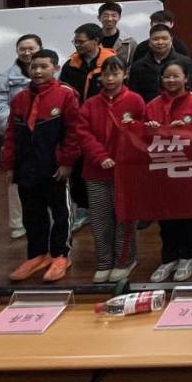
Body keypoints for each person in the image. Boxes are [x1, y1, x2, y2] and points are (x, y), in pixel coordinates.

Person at [1, 48, 80, 283]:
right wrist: (9, 165)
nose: (37, 71)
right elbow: (11, 135)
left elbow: (73, 133)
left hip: (54, 167)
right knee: (32, 214)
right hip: (26, 167)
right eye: (34, 67)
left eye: (44, 67)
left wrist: (67, 162)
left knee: (61, 213)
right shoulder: (20, 98)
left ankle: (60, 255)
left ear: (55, 68)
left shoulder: (66, 95)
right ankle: (37, 255)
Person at [76, 56, 142, 283]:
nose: (111, 79)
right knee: (100, 219)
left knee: (125, 218)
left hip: (126, 173)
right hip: (95, 171)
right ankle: (104, 262)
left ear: (125, 75)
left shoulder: (135, 101)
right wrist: (100, 157)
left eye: (116, 74)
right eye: (106, 75)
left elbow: (141, 134)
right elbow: (83, 134)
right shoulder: (90, 104)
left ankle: (125, 260)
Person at [143, 60, 192, 282]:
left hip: (189, 170)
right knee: (165, 215)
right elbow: (141, 138)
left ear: (186, 78)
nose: (171, 80)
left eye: (175, 76)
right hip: (162, 169)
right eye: (167, 76)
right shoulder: (152, 105)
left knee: (189, 214)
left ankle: (188, 256)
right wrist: (150, 131)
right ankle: (169, 258)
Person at [59, 23, 117, 234]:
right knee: (78, 167)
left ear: (96, 41)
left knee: (104, 162)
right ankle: (83, 209)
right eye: (75, 41)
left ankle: (110, 208)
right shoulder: (70, 65)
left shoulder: (111, 62)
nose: (77, 45)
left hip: (105, 122)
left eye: (81, 41)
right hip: (77, 123)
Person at [0, 33, 42, 241]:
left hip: (45, 136)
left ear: (40, 49)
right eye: (22, 49)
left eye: (31, 48)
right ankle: (18, 223)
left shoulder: (51, 72)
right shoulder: (6, 77)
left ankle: (48, 218)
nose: (27, 53)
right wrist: (15, 129)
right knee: (16, 181)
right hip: (18, 137)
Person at [128, 23, 192, 102]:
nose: (160, 42)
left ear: (171, 40)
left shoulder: (185, 62)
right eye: (155, 39)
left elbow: (191, 90)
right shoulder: (138, 66)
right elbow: (134, 95)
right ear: (149, 42)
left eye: (164, 38)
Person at [97, 2, 138, 69]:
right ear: (99, 18)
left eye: (114, 16)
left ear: (119, 17)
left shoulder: (129, 42)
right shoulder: (92, 41)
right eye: (105, 16)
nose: (109, 19)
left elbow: (134, 65)